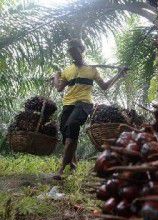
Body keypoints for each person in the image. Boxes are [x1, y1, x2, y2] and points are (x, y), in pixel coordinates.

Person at [52, 39, 127, 179]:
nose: (73, 53)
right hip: (68, 104)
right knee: (67, 135)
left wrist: (119, 74)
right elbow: (59, 88)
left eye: (75, 50)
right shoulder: (67, 70)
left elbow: (104, 86)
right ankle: (73, 163)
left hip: (84, 103)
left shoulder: (92, 69)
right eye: (71, 52)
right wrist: (56, 76)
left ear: (82, 50)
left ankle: (61, 169)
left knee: (72, 125)